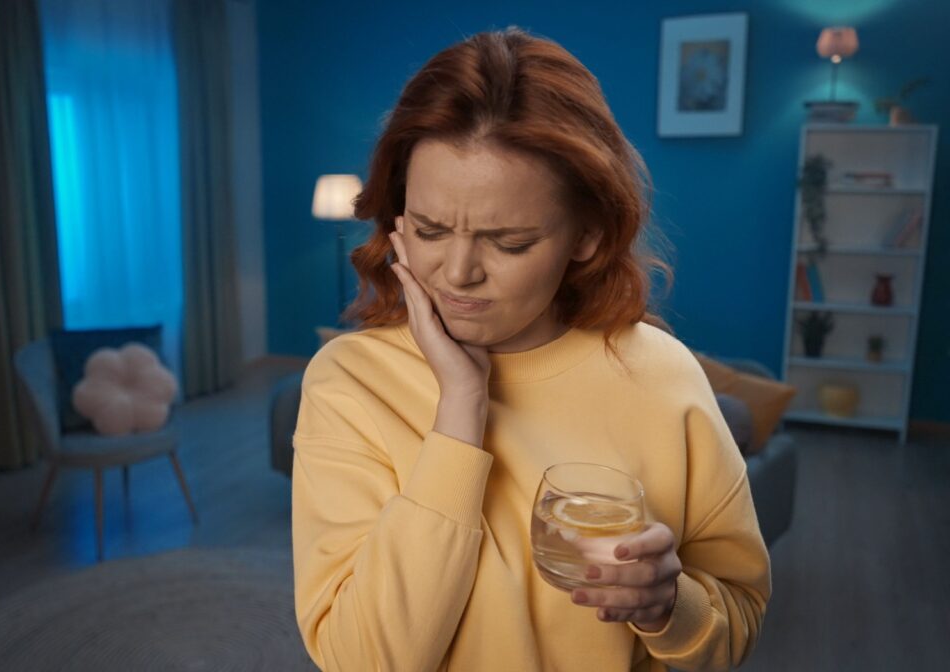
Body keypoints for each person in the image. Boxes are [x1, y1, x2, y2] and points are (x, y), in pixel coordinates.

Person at [291, 27, 770, 672]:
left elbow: (736, 621)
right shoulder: (348, 382)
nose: (457, 273)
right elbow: (366, 661)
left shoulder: (661, 377)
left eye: (509, 243)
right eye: (430, 230)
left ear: (589, 236)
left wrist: (667, 606)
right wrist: (460, 408)